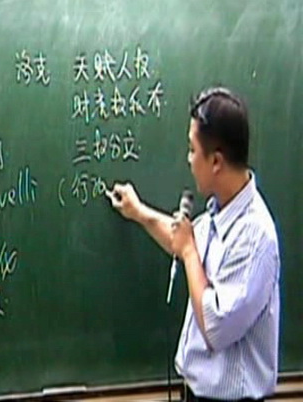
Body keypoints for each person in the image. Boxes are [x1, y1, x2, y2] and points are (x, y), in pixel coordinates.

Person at [106, 87, 280, 402]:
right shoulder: (220, 212)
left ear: (216, 161)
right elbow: (182, 239)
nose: (188, 159)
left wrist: (187, 250)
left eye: (192, 149)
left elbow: (216, 326)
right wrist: (138, 211)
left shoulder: (255, 236)